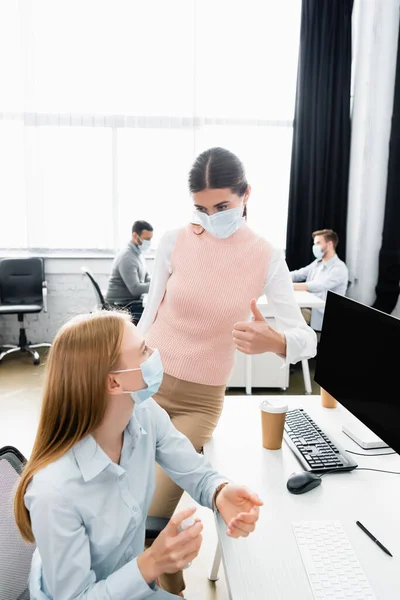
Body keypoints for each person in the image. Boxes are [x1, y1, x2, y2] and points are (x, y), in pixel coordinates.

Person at [138, 147, 317, 595]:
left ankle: (171, 589)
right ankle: (167, 585)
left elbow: (304, 337)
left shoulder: (265, 254)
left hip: (199, 402)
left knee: (152, 517)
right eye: (201, 207)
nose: (211, 216)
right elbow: (150, 311)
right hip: (146, 385)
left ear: (245, 195)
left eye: (222, 206)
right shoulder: (174, 240)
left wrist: (273, 341)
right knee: (127, 508)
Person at [14, 311, 262, 600]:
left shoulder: (142, 414)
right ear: (115, 383)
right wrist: (152, 563)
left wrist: (220, 491)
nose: (155, 356)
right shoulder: (53, 492)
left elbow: (194, 470)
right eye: (143, 350)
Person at [290, 229, 349, 330]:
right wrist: (278, 275)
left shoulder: (339, 268)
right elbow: (298, 274)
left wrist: (288, 285)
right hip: (308, 306)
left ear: (329, 244)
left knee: (288, 320)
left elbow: (318, 285)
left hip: (321, 314)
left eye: (318, 243)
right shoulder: (318, 263)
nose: (314, 247)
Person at [106, 220, 153, 318]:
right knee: (152, 316)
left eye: (150, 239)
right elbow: (135, 289)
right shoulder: (127, 257)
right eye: (146, 239)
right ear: (135, 235)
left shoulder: (138, 254)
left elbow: (146, 276)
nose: (148, 243)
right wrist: (156, 286)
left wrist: (156, 281)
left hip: (128, 303)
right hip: (119, 307)